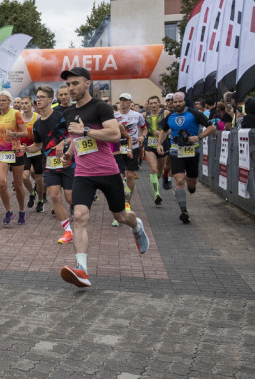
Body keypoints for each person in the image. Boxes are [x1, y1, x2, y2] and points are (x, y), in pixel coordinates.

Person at [59, 67, 150, 288]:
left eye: (75, 84)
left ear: (87, 83)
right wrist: (70, 153)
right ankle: (82, 270)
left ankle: (135, 224)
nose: (71, 88)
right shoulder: (68, 113)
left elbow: (115, 134)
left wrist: (87, 131)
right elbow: (75, 138)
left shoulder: (101, 107)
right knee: (79, 216)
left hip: (108, 172)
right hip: (83, 173)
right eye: (68, 85)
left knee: (120, 216)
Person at [156, 90, 215, 224]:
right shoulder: (169, 116)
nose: (177, 104)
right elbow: (164, 130)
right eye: (175, 102)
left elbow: (212, 127)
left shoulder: (194, 113)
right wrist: (159, 143)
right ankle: (184, 211)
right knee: (180, 180)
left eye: (180, 101)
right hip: (176, 153)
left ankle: (191, 186)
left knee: (192, 185)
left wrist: (199, 136)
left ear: (184, 101)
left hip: (192, 153)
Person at [28, 85, 75, 244]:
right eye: (37, 97)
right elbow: (38, 145)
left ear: (50, 99)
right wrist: (25, 149)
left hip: (68, 162)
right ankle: (68, 231)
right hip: (49, 164)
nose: (38, 100)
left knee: (69, 198)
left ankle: (82, 208)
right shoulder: (37, 124)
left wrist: (63, 143)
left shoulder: (61, 116)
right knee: (54, 196)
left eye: (42, 97)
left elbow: (74, 134)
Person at [0, 90, 27, 224]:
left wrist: (15, 135)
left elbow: (24, 133)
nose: (1, 103)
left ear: (9, 102)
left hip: (16, 151)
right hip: (1, 152)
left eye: (4, 100)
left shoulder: (16, 114)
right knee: (2, 183)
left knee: (18, 185)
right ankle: (8, 211)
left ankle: (22, 211)